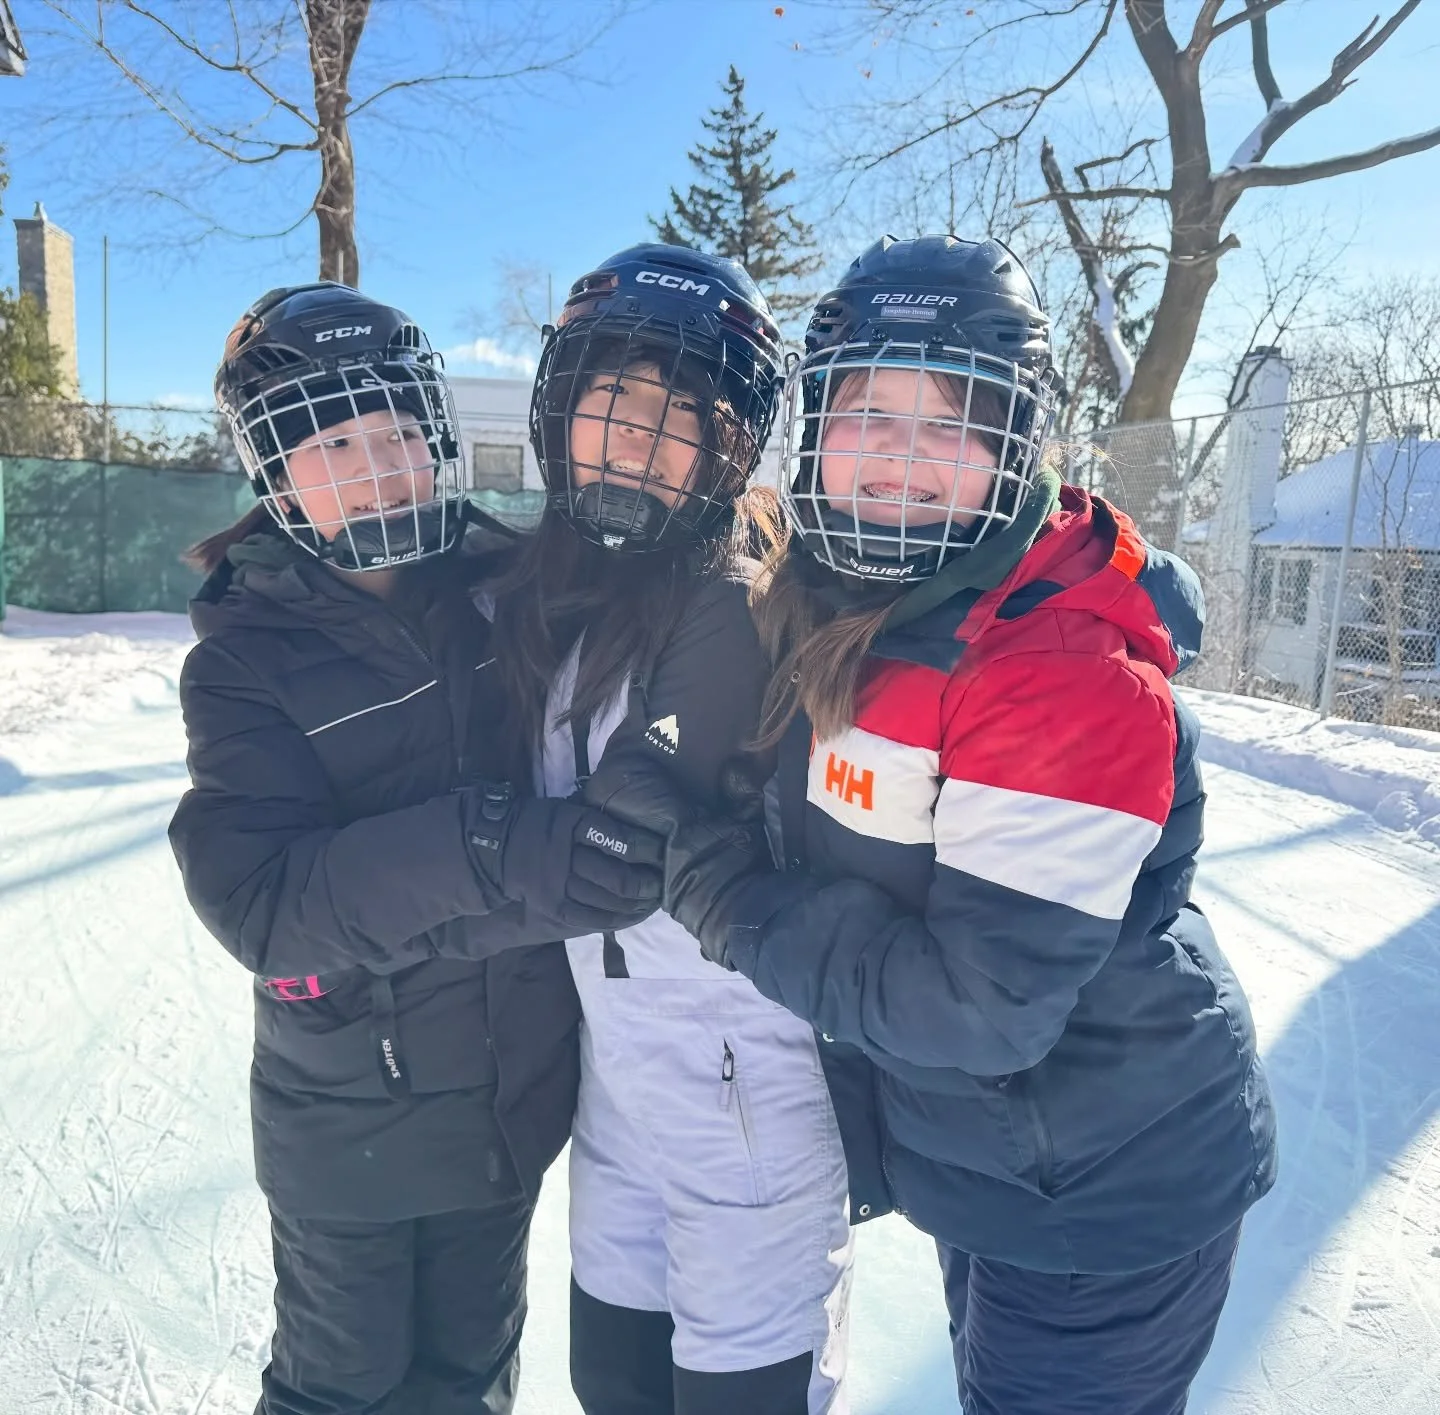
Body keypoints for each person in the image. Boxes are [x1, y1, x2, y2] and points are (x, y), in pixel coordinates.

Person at [584, 235, 1280, 1415]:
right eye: (869, 415)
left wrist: (731, 900)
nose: (902, 457)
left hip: (1106, 1193)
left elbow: (979, 1003)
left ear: (1020, 448)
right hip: (1003, 1172)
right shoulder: (874, 595)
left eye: (954, 422)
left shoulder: (1059, 665)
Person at [168, 281, 664, 1415]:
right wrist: (501, 850)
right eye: (334, 441)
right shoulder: (244, 656)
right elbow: (270, 901)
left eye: (396, 431)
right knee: (340, 1386)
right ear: (275, 470)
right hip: (352, 1121)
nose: (377, 465)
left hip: (506, 1105)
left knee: (469, 1381)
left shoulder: (509, 591)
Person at [483, 243, 853, 1415]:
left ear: (728, 446)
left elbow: (620, 838)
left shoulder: (734, 597)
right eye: (617, 396)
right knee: (615, 1383)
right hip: (622, 1091)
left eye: (675, 412)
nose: (637, 435)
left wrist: (445, 862)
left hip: (743, 1101)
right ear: (566, 409)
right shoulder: (577, 585)